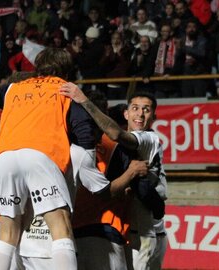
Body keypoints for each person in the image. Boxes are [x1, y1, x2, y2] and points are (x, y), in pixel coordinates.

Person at [0, 48, 100, 270]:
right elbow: (84, 130)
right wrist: (88, 156)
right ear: (67, 69)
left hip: (3, 158)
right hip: (40, 155)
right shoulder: (66, 90)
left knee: (7, 234)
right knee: (61, 229)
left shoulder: (12, 88)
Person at [59, 85, 168, 270]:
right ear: (126, 114)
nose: (140, 114)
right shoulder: (108, 146)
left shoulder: (148, 139)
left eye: (146, 110)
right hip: (121, 229)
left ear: (153, 117)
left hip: (145, 231)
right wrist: (129, 178)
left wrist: (83, 100)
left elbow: (116, 133)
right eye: (135, 108)